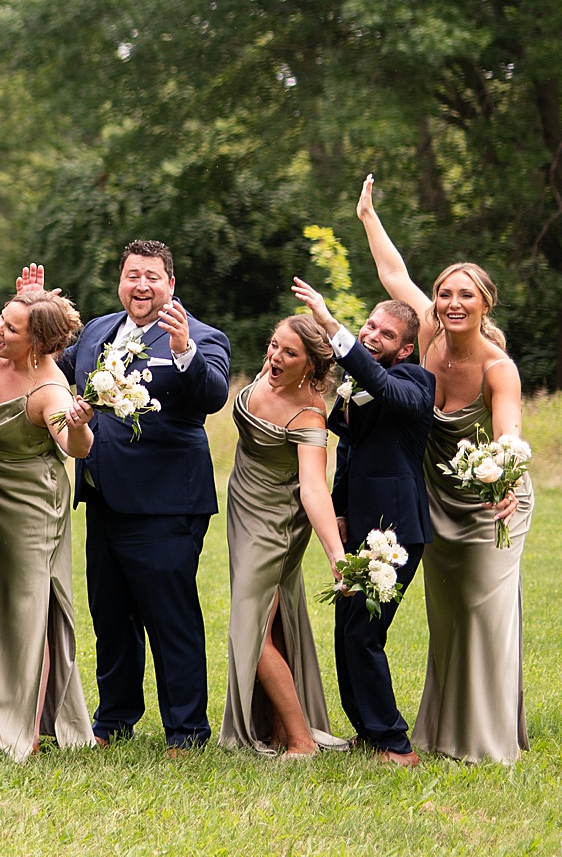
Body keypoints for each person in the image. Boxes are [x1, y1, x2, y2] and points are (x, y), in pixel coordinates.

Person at [358, 176, 532, 764]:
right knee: (449, 614)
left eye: (466, 295)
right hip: (437, 497)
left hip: (492, 501)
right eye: (444, 294)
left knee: (485, 610)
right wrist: (368, 216)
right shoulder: (428, 336)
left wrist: (504, 480)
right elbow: (392, 273)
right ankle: (443, 729)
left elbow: (508, 433)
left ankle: (488, 738)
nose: (453, 303)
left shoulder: (498, 368)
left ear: (485, 304)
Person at [60, 239, 230, 750]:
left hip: (165, 504)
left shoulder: (201, 336)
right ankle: (113, 720)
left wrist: (183, 351)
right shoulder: (97, 330)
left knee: (169, 618)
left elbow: (213, 395)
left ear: (170, 284)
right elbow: (53, 366)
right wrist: (36, 307)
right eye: (133, 275)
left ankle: (186, 730)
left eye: (152, 276)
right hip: (102, 497)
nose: (141, 285)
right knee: (111, 616)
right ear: (121, 280)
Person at [291, 275, 434, 766]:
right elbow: (349, 453)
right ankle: (369, 733)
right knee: (346, 630)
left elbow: (385, 387)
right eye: (369, 326)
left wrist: (332, 325)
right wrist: (339, 512)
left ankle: (396, 744)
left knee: (364, 633)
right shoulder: (356, 387)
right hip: (358, 526)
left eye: (386, 334)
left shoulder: (416, 382)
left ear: (406, 349)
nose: (372, 335)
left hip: (395, 532)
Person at [0, 268, 94, 761]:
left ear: (38, 345)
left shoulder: (50, 391)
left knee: (27, 609)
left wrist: (80, 424)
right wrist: (21, 305)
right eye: (1, 318)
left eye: (11, 328)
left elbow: (76, 446)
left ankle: (27, 729)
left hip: (28, 506)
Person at [218, 316, 348, 756]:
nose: (275, 356)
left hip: (276, 524)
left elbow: (313, 488)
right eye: (274, 345)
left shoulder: (309, 413)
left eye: (289, 353)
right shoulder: (269, 373)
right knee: (269, 622)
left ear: (310, 365)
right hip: (243, 508)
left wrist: (336, 554)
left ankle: (301, 740)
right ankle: (277, 731)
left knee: (249, 629)